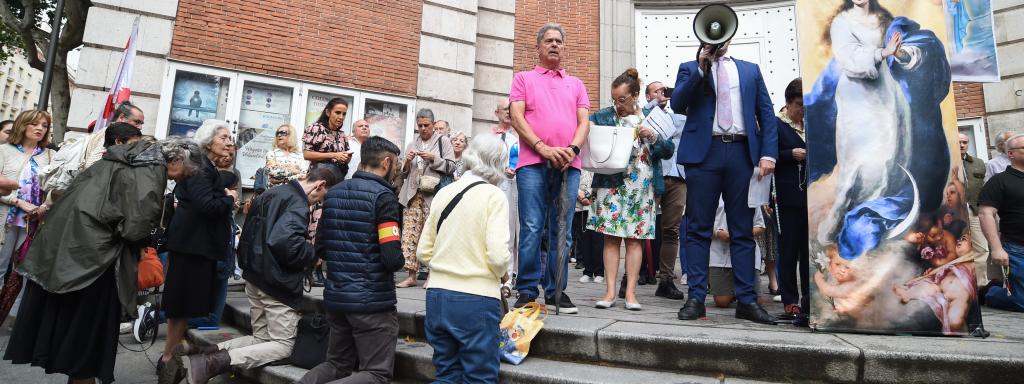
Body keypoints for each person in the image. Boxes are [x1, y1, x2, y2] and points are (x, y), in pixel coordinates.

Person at [4, 137, 202, 384]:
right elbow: (135, 227)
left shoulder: (119, 159)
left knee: (75, 336)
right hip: (94, 262)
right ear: (177, 159)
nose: (177, 179)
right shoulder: (151, 170)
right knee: (87, 339)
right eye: (184, 172)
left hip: (68, 251)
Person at [178, 169, 337, 384]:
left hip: (255, 275)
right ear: (320, 185)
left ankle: (202, 351)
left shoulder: (272, 193)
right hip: (275, 281)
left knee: (261, 338)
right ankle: (209, 364)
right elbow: (286, 244)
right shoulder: (297, 203)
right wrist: (312, 253)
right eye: (321, 197)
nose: (317, 203)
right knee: (283, 345)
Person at [671, 33, 778, 323]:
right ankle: (695, 297)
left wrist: (769, 153)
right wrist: (700, 68)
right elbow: (677, 104)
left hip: (742, 153)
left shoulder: (749, 69)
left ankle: (747, 299)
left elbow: (766, 113)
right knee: (698, 228)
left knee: (742, 229)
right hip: (704, 155)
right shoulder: (690, 67)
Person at [297, 137, 405, 384]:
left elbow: (321, 247)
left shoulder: (334, 193)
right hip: (372, 302)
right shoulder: (384, 197)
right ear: (386, 162)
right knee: (376, 373)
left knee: (336, 365)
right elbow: (391, 257)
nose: (396, 170)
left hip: (337, 298)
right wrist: (403, 259)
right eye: (396, 165)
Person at [509, 23, 590, 313]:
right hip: (532, 163)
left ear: (563, 46)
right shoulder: (523, 79)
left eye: (559, 41)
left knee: (563, 231)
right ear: (539, 47)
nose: (554, 44)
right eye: (549, 41)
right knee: (531, 227)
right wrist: (542, 147)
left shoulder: (577, 84)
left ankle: (557, 292)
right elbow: (516, 117)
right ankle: (527, 290)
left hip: (570, 164)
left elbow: (584, 122)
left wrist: (573, 149)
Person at [418, 134, 511, 383]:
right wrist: (505, 275)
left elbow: (423, 252)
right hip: (476, 299)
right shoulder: (494, 196)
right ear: (497, 163)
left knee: (447, 373)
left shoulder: (444, 193)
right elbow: (498, 256)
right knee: (479, 376)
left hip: (437, 295)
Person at [158, 120, 239, 384]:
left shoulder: (203, 166)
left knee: (183, 304)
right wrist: (229, 199)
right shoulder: (201, 168)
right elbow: (207, 205)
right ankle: (169, 358)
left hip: (191, 244)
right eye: (224, 137)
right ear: (208, 141)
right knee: (181, 305)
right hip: (193, 245)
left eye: (230, 137)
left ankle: (173, 352)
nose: (229, 142)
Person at [588, 68, 674, 311]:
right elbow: (586, 130)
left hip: (642, 184)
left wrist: (654, 137)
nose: (618, 104)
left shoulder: (651, 116)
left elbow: (668, 150)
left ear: (636, 95)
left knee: (635, 240)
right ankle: (610, 293)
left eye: (623, 99)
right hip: (611, 183)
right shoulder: (605, 116)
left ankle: (632, 294)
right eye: (614, 99)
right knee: (611, 238)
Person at [0, 110, 56, 310]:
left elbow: (55, 189)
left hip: (34, 222)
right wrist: (18, 202)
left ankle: (15, 319)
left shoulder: (51, 155)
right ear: (22, 125)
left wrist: (45, 206)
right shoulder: (4, 151)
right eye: (35, 124)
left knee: (24, 270)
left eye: (44, 125)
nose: (40, 128)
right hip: (5, 217)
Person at [396, 108, 457, 288]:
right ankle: (411, 275)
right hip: (412, 194)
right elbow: (404, 172)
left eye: (426, 125)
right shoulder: (412, 143)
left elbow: (452, 167)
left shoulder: (443, 142)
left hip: (434, 194)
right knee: (409, 235)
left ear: (433, 124)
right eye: (420, 126)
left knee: (433, 235)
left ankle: (432, 275)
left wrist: (434, 159)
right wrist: (406, 161)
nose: (423, 129)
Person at [644, 80, 688, 300]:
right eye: (656, 90)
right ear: (647, 96)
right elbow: (641, 118)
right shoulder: (644, 113)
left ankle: (666, 281)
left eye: (664, 90)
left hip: (678, 177)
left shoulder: (677, 117)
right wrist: (653, 104)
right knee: (640, 228)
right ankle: (630, 278)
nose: (662, 93)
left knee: (671, 230)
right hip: (654, 176)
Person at [775, 78, 810, 317]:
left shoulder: (811, 123)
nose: (802, 110)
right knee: (788, 250)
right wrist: (789, 154)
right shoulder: (777, 125)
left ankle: (810, 298)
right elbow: (766, 156)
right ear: (788, 103)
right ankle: (790, 298)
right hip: (787, 195)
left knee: (809, 250)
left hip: (812, 196)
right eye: (799, 105)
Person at [978, 134, 1024, 312]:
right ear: (1010, 154)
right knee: (1021, 301)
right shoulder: (999, 181)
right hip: (1017, 248)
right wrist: (996, 248)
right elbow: (986, 213)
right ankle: (990, 292)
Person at [709, 199, 767, 308]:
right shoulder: (714, 194)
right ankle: (732, 291)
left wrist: (743, 233)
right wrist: (718, 233)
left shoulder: (750, 195)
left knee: (756, 300)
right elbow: (703, 224)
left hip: (747, 253)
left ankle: (739, 290)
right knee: (722, 301)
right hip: (720, 254)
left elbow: (760, 226)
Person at [492, 98, 521, 279]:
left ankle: (515, 275)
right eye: (504, 109)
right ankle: (503, 274)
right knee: (502, 231)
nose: (508, 112)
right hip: (498, 186)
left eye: (511, 109)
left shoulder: (520, 136)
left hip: (517, 186)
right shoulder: (490, 138)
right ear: (497, 113)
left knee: (517, 232)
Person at [958, 133, 990, 286]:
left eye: (965, 142)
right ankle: (961, 286)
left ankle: (981, 286)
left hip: (974, 210)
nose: (962, 145)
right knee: (955, 248)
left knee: (981, 248)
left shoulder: (978, 163)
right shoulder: (945, 162)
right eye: (959, 142)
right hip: (953, 212)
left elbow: (985, 187)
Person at [84, 100, 146, 169]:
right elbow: (91, 164)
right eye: (137, 122)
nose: (140, 127)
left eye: (141, 123)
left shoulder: (117, 133)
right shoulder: (109, 133)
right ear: (122, 117)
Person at [303, 97, 352, 182]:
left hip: (336, 178)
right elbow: (307, 154)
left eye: (344, 114)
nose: (341, 117)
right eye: (337, 112)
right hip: (317, 179)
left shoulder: (342, 134)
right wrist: (334, 155)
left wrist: (345, 158)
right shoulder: (317, 128)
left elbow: (341, 158)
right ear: (328, 112)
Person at [574, 171, 603, 283]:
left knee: (598, 241)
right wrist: (580, 196)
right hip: (581, 207)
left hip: (597, 207)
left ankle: (599, 272)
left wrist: (589, 197)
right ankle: (588, 271)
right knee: (584, 240)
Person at [265, 123, 309, 187]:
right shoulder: (272, 153)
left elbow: (304, 175)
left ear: (291, 135)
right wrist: (295, 171)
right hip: (276, 192)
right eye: (277, 133)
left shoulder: (300, 156)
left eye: (283, 133)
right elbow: (273, 172)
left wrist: (281, 179)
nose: (279, 135)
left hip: (294, 191)